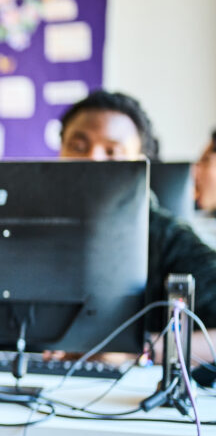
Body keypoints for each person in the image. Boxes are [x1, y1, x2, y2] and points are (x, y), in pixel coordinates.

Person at [59, 90, 216, 328]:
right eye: (78, 146)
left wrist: (140, 353)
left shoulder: (168, 239)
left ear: (140, 164)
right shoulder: (24, 224)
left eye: (112, 151)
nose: (93, 159)